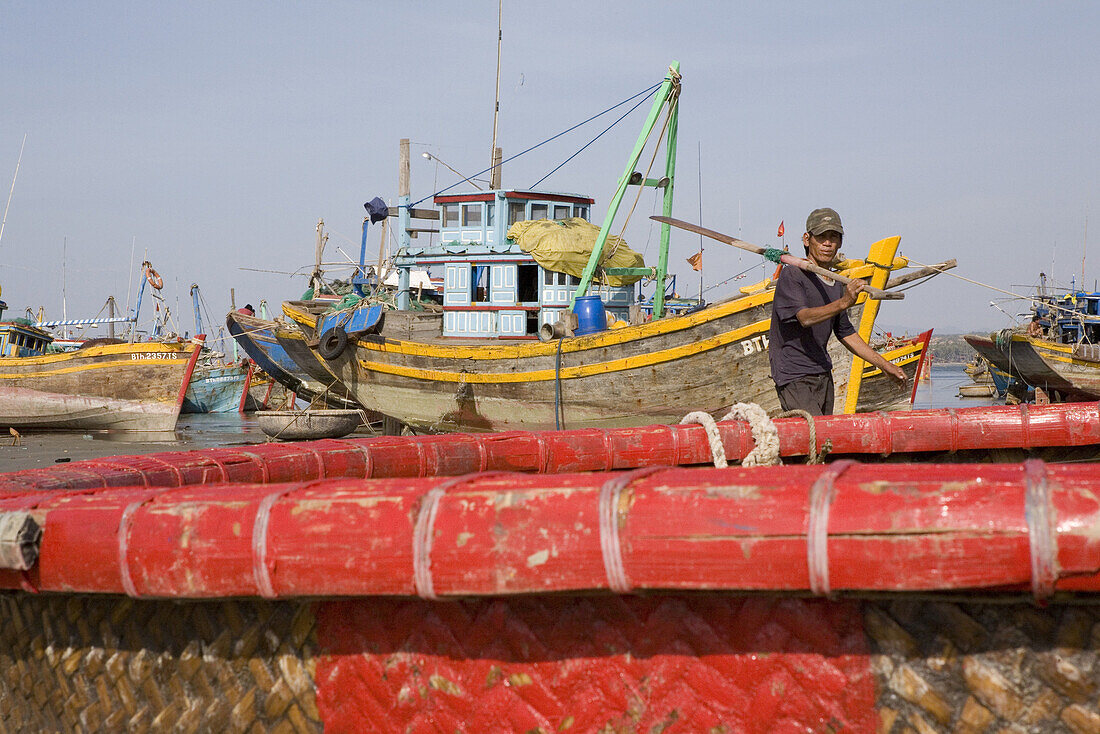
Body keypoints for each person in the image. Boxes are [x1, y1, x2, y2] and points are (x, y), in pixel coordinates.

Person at [768, 207, 907, 415]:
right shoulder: (793, 276)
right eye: (821, 237)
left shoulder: (834, 282)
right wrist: (844, 302)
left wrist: (884, 365)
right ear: (807, 239)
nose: (827, 243)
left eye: (833, 237)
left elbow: (846, 333)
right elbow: (804, 318)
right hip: (795, 375)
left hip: (822, 373)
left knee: (825, 441)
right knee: (813, 435)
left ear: (840, 243)